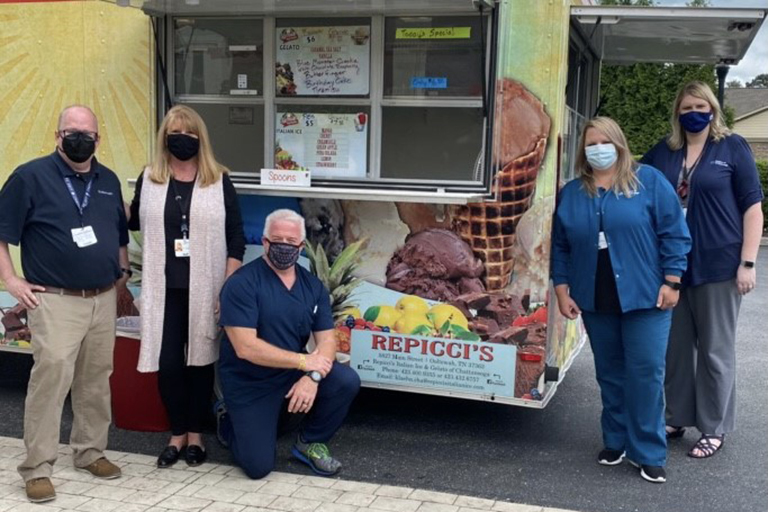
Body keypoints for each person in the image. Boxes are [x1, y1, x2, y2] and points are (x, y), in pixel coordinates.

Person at [551, 117, 691, 484]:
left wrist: (672, 281)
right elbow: (561, 245)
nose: (597, 148)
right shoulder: (572, 192)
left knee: (645, 374)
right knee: (610, 374)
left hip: (646, 296)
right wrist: (562, 288)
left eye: (604, 141)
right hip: (595, 297)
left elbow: (675, 234)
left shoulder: (649, 182)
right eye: (590, 143)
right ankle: (615, 440)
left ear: (619, 143)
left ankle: (647, 451)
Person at [0, 105, 129, 503]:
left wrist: (122, 278)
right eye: (70, 131)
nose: (78, 138)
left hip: (102, 298)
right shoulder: (29, 177)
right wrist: (11, 280)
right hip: (54, 299)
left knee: (95, 379)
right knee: (51, 380)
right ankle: (37, 468)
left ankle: (90, 451)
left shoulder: (107, 181)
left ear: (98, 139)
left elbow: (120, 237)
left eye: (86, 133)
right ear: (57, 136)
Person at [641, 81, 763, 459]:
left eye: (701, 105)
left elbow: (752, 208)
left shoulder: (732, 148)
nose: (694, 112)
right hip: (673, 269)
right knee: (675, 350)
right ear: (677, 112)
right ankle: (676, 417)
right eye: (686, 106)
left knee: (715, 350)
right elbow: (635, 187)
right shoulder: (664, 152)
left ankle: (713, 427)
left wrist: (748, 262)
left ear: (712, 109)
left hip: (719, 265)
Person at [128, 105, 245, 468]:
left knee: (199, 363)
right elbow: (131, 220)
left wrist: (227, 287)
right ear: (165, 137)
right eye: (176, 132)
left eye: (191, 134)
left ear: (200, 139)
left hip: (205, 288)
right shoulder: (150, 179)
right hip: (164, 289)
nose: (183, 139)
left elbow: (236, 237)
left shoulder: (218, 179)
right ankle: (176, 433)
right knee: (168, 364)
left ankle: (196, 435)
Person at [217, 209, 360, 478]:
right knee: (258, 467)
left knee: (345, 380)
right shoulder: (242, 284)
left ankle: (309, 442)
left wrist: (313, 377)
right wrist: (305, 362)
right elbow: (245, 347)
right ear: (265, 242)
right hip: (250, 382)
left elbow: (327, 339)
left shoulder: (312, 286)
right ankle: (229, 420)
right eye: (277, 240)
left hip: (290, 374)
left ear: (301, 246)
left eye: (291, 242)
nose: (284, 247)